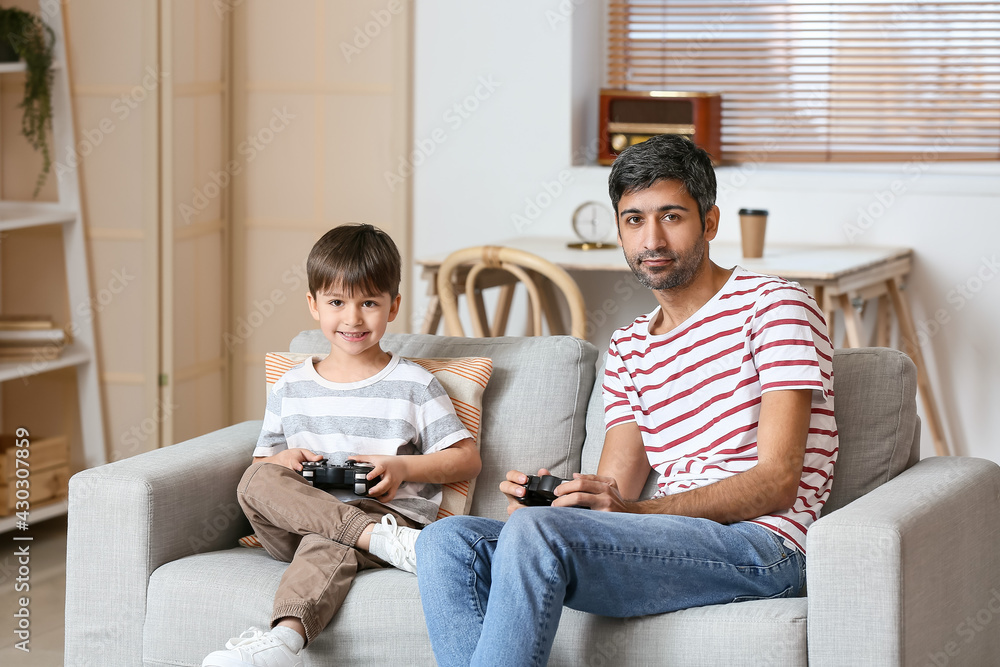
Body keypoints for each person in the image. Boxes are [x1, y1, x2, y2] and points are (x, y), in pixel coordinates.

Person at [415, 134, 838, 667]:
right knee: (449, 543)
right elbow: (613, 490)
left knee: (536, 534)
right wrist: (559, 505)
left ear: (709, 222)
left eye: (671, 216)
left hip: (763, 547)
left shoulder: (775, 306)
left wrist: (630, 513)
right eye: (634, 220)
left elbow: (778, 480)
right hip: (663, 542)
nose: (652, 239)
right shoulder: (631, 344)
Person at [202, 224, 482, 667]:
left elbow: (466, 459)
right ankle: (374, 540)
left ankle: (282, 643)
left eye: (369, 302)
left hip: (380, 513)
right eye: (336, 302)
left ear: (394, 306)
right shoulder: (291, 387)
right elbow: (262, 468)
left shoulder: (413, 385)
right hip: (301, 524)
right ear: (313, 305)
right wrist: (284, 460)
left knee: (330, 539)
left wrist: (402, 469)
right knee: (255, 478)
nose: (352, 319)